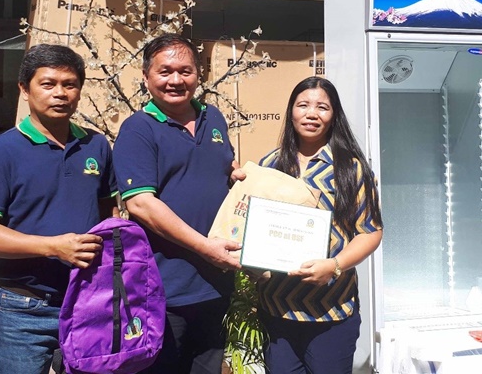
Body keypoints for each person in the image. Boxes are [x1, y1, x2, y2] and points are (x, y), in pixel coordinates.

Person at [0, 44, 119, 374]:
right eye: (47, 84)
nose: (60, 93)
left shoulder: (96, 145)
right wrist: (52, 247)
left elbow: (109, 215)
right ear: (25, 89)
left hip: (87, 302)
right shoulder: (0, 152)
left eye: (69, 84)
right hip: (23, 309)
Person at [112, 33, 244, 374]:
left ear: (198, 75)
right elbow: (141, 203)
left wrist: (240, 178)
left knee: (208, 367)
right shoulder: (138, 129)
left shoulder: (212, 118)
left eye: (185, 71)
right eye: (165, 71)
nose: (175, 80)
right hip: (164, 290)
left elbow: (218, 173)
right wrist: (205, 247)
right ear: (146, 77)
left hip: (215, 283)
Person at [257, 76, 383, 374]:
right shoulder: (270, 166)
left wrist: (335, 265)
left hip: (332, 313)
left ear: (333, 115)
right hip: (276, 309)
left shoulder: (352, 170)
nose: (312, 113)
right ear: (291, 112)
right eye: (303, 105)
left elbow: (371, 231)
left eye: (322, 107)